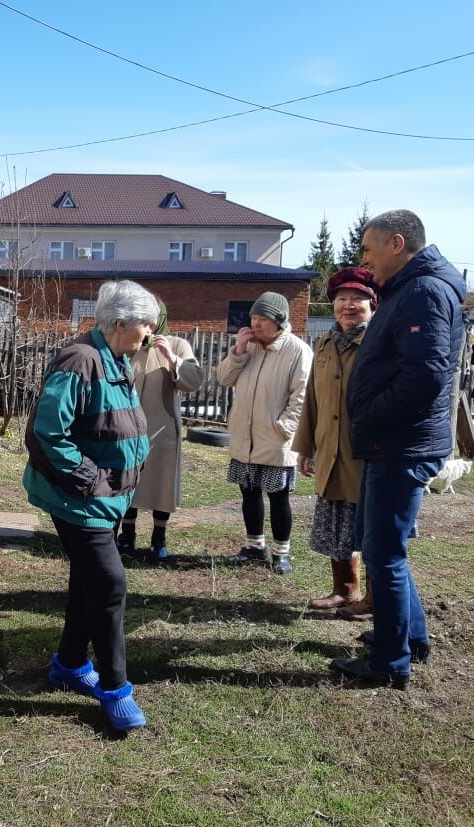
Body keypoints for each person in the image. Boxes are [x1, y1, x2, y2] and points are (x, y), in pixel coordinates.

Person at [329, 209, 465, 689]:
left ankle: (389, 663)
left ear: (397, 244)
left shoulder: (425, 292)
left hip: (400, 443)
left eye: (368, 248)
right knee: (385, 548)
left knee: (383, 553)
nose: (364, 260)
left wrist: (372, 415)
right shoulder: (412, 288)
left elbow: (425, 375)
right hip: (393, 440)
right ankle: (412, 638)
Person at [24, 279, 157, 731]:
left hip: (107, 499)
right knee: (109, 584)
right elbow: (47, 432)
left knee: (88, 580)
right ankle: (115, 690)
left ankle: (70, 664)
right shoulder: (81, 359)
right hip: (80, 498)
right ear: (121, 323)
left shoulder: (117, 358)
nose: (151, 332)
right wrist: (91, 479)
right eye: (146, 323)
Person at [293, 267, 378, 611]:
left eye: (357, 298)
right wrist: (305, 447)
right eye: (341, 299)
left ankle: (376, 597)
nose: (348, 305)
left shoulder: (378, 343)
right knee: (337, 523)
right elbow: (312, 398)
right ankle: (345, 589)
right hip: (331, 449)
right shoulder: (325, 343)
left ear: (372, 304)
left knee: (373, 528)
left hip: (366, 453)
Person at [217, 292, 312, 574]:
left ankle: (282, 552)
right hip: (245, 436)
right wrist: (238, 351)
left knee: (278, 495)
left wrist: (284, 428)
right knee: (248, 492)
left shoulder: (297, 350)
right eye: (253, 318)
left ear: (279, 322)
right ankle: (254, 546)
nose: (255, 324)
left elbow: (303, 396)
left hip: (275, 437)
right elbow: (224, 378)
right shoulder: (250, 347)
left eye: (262, 319)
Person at [116, 299, 203, 562]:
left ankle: (158, 538)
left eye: (152, 318)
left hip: (163, 430)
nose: (149, 324)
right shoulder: (127, 346)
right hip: (128, 430)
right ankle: (127, 536)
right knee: (129, 481)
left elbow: (194, 380)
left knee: (162, 486)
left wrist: (171, 358)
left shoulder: (178, 344)